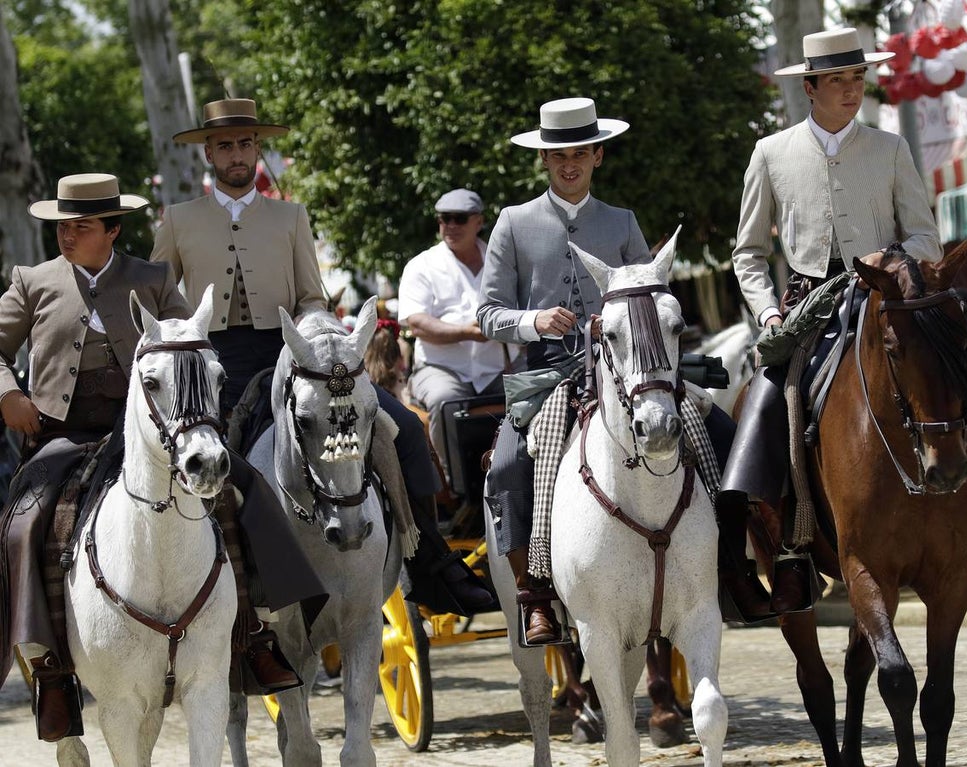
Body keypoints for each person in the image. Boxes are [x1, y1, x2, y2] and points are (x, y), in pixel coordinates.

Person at [722, 28, 967, 613]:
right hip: (807, 309)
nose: (852, 90)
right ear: (812, 87)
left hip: (889, 299)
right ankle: (789, 547)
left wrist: (897, 262)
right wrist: (768, 311)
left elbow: (924, 230)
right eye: (840, 81)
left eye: (857, 79)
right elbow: (746, 252)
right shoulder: (770, 153)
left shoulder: (891, 148)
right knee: (772, 400)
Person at [0, 174, 322, 743]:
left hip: (155, 429)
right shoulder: (32, 281)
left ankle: (257, 627)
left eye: (81, 226)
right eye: (63, 226)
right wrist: (8, 393)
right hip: (64, 434)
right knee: (26, 521)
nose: (68, 236)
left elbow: (193, 338)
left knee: (244, 486)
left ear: (113, 230)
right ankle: (47, 667)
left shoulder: (152, 277)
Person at [152, 98, 493, 615]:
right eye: (225, 145)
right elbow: (162, 303)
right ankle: (221, 594)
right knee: (199, 460)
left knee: (400, 426)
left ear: (258, 148)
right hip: (215, 367)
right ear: (209, 152)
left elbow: (312, 294)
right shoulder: (178, 220)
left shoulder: (290, 216)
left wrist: (321, 338)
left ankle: (427, 558)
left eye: (246, 143)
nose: (237, 154)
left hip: (291, 355)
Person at [478, 97, 771, 646]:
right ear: (544, 160)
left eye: (581, 153)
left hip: (635, 368)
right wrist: (534, 320)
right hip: (551, 373)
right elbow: (488, 313)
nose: (570, 164)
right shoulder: (512, 225)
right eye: (559, 155)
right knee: (509, 465)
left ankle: (734, 568)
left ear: (598, 156)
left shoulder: (622, 222)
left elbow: (654, 290)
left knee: (725, 437)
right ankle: (536, 591)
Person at [398, 189, 516, 482]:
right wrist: (467, 332)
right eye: (443, 219)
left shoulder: (503, 259)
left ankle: (525, 481)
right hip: (442, 370)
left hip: (500, 368)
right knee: (444, 400)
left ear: (479, 221)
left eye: (459, 219)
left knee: (541, 391)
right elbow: (417, 323)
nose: (450, 226)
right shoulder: (421, 265)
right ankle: (457, 487)